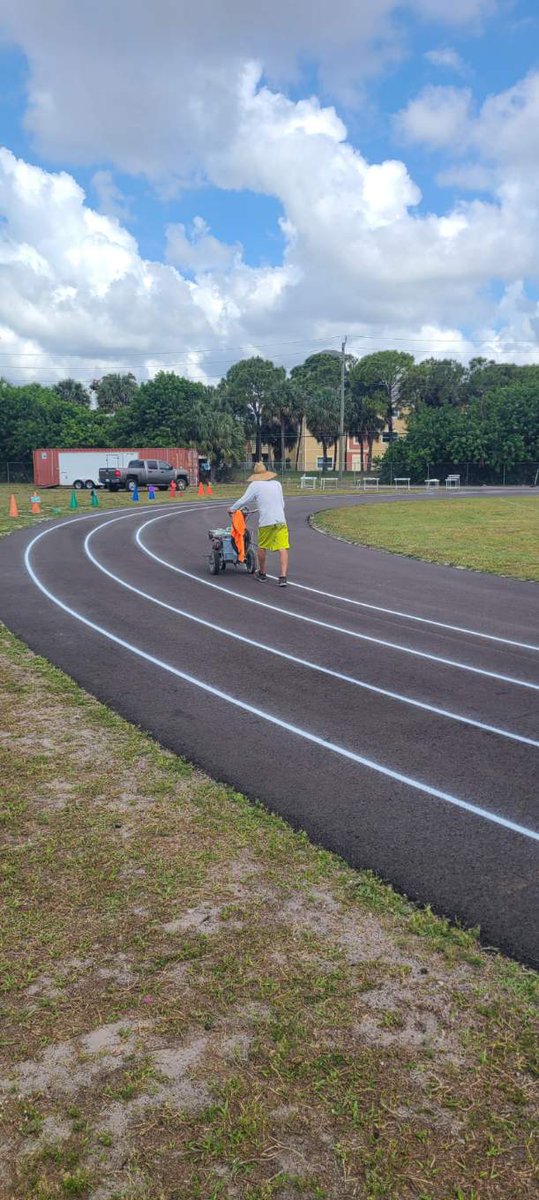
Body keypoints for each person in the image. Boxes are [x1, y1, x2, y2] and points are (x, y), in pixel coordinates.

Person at [229, 462, 289, 586]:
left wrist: (232, 509)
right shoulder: (277, 484)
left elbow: (244, 499)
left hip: (266, 521)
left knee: (262, 546)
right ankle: (283, 576)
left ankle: (262, 573)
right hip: (280, 520)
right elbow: (282, 504)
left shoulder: (255, 485)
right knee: (282, 547)